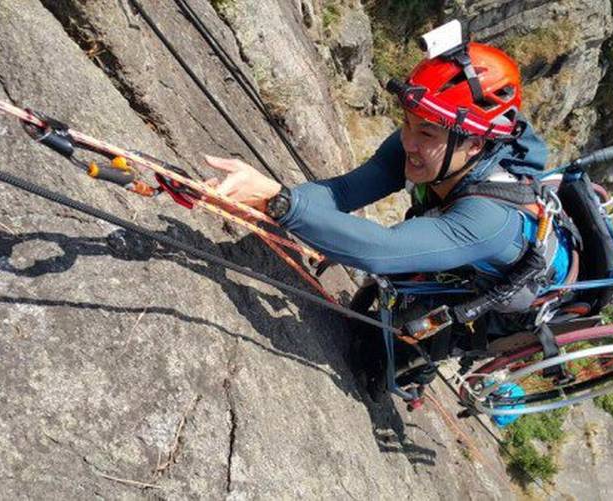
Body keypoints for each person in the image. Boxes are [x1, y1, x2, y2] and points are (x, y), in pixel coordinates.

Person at [204, 42, 572, 413]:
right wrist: (282, 202)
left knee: (383, 360)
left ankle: (414, 374)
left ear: (475, 145)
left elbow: (382, 251)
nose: (408, 141)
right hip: (449, 239)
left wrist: (280, 202)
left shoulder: (490, 220)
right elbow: (347, 190)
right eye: (407, 123)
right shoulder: (441, 138)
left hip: (492, 292)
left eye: (426, 134)